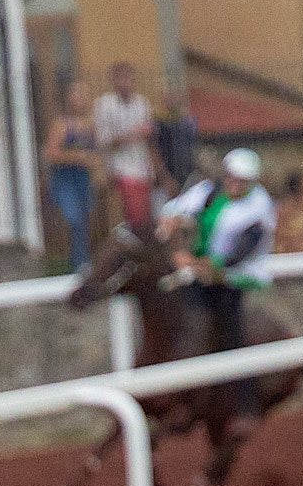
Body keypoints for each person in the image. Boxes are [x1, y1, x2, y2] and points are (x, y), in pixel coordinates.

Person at [156, 145, 277, 433]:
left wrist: (204, 265)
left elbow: (241, 252)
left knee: (230, 332)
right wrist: (171, 222)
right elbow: (173, 209)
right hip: (201, 271)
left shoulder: (260, 207)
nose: (235, 184)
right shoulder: (209, 191)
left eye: (242, 181)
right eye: (232, 178)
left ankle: (246, 406)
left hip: (236, 276)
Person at [93, 62, 157, 230]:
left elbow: (149, 139)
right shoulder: (104, 105)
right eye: (120, 78)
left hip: (142, 166)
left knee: (146, 214)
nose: (125, 83)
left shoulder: (141, 103)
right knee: (133, 214)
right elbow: (104, 141)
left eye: (128, 78)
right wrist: (131, 134)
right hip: (120, 167)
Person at [44, 79, 98, 267]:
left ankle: (82, 261)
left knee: (85, 219)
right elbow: (51, 153)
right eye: (77, 94)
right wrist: (77, 156)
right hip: (65, 179)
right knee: (73, 217)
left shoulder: (90, 124)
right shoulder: (61, 124)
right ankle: (74, 263)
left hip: (83, 179)